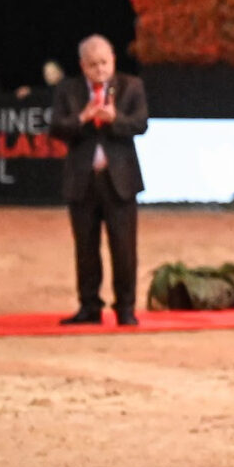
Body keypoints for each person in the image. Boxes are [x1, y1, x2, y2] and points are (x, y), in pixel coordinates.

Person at [49, 36, 148, 327]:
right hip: (82, 181)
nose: (100, 69)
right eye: (93, 64)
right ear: (82, 65)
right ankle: (89, 306)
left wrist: (114, 118)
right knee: (86, 248)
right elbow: (56, 128)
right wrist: (83, 117)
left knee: (124, 248)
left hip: (120, 180)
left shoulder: (131, 86)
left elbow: (141, 124)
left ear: (113, 59)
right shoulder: (69, 90)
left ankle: (126, 308)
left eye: (104, 62)